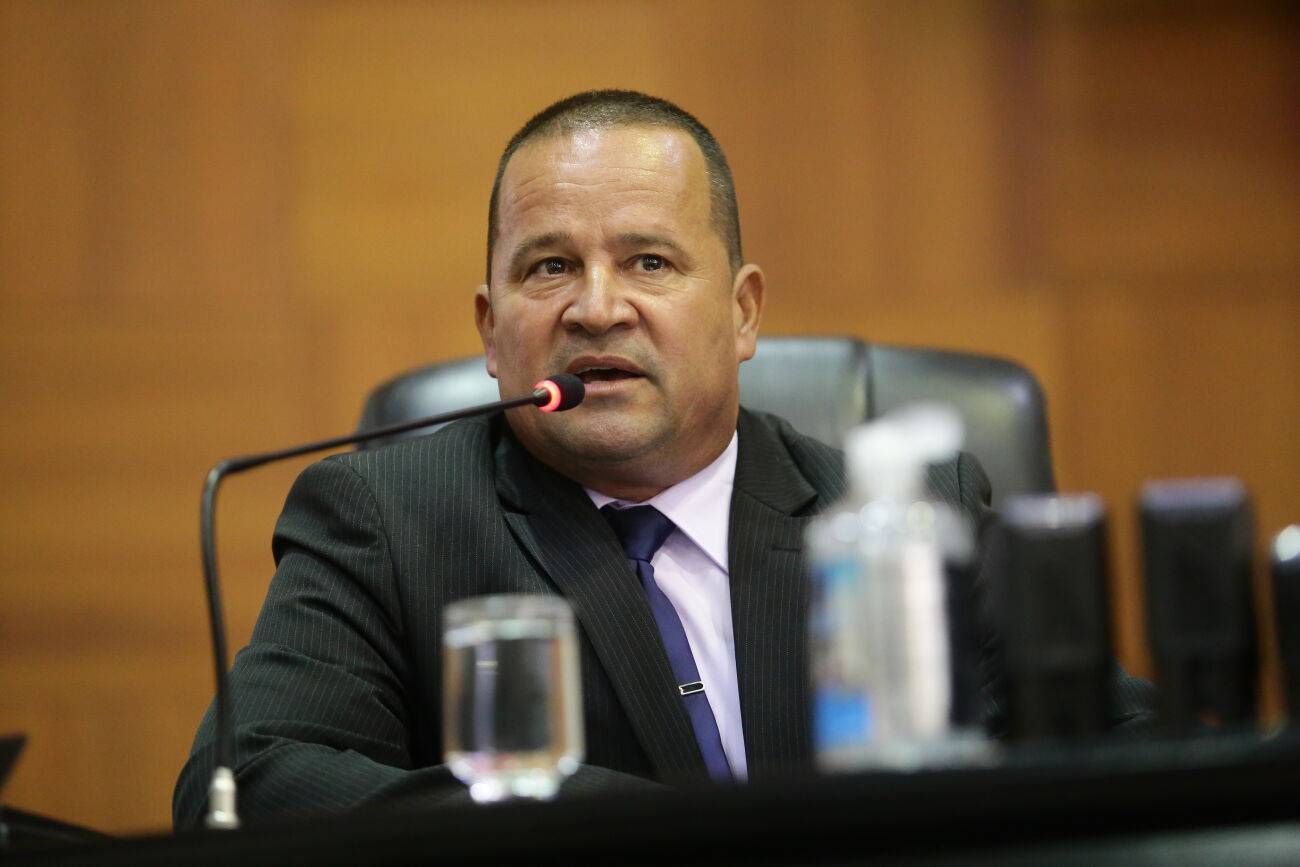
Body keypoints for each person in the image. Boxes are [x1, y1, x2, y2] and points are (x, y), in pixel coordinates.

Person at [174, 90, 1154, 826]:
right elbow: (246, 780)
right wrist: (603, 827)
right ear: (489, 330)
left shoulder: (911, 517)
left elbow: (1125, 754)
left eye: (648, 261)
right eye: (550, 267)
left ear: (742, 312)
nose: (597, 308)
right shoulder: (386, 520)